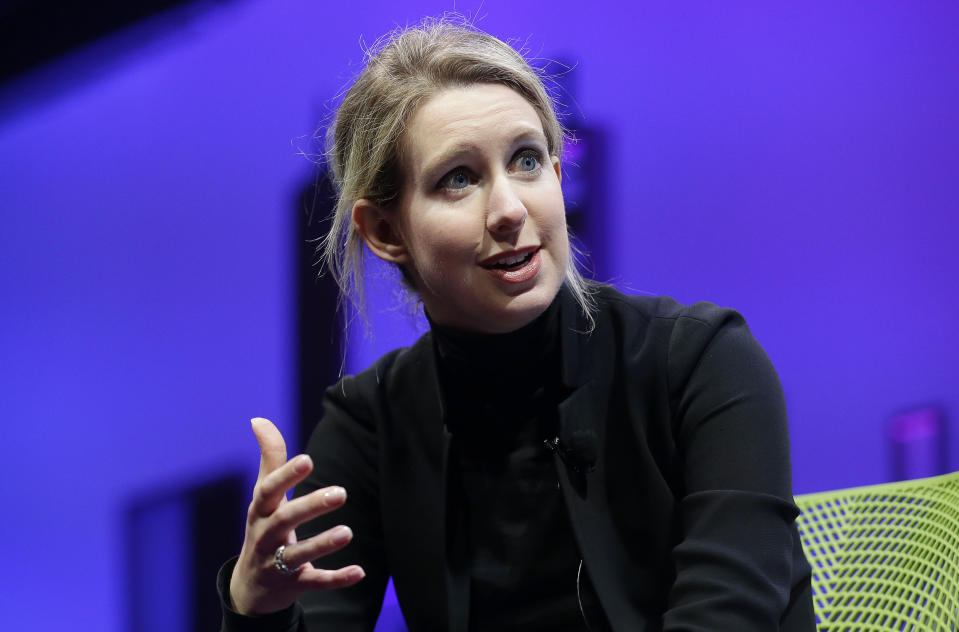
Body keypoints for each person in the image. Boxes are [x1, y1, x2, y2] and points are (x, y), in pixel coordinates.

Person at [218, 17, 816, 631]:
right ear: (386, 233)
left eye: (527, 161)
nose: (509, 209)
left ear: (558, 179)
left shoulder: (702, 362)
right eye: (459, 179)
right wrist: (255, 609)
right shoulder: (370, 425)